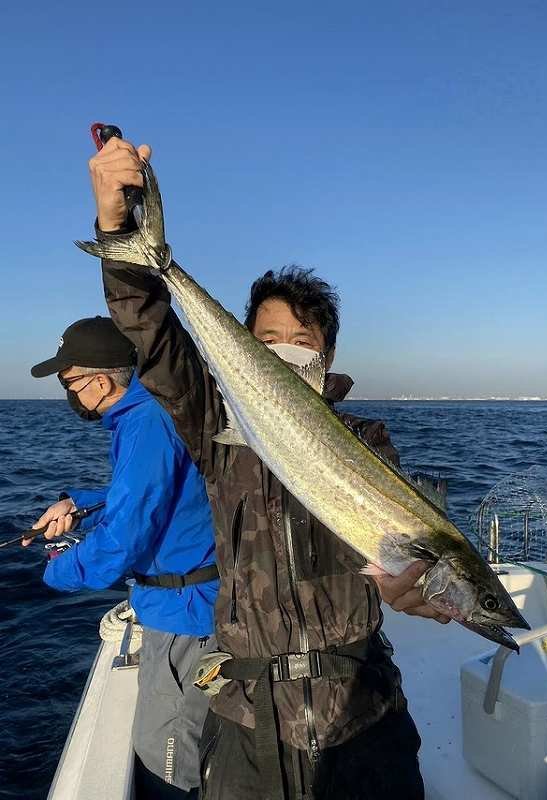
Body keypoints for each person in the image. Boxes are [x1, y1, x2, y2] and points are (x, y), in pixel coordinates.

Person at [88, 137, 451, 800]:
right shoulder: (215, 431)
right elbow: (148, 328)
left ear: (329, 357)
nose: (285, 352)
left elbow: (389, 549)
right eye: (267, 341)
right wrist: (116, 225)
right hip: (246, 721)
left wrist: (411, 585)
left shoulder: (366, 441)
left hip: (362, 716)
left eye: (303, 342)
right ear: (241, 351)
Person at [27, 316, 219, 799]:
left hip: (185, 617)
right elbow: (149, 495)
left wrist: (57, 571)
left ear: (97, 380)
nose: (68, 393)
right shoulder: (149, 414)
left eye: (67, 381)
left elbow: (124, 539)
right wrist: (78, 503)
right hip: (181, 607)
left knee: (168, 765)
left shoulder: (145, 424)